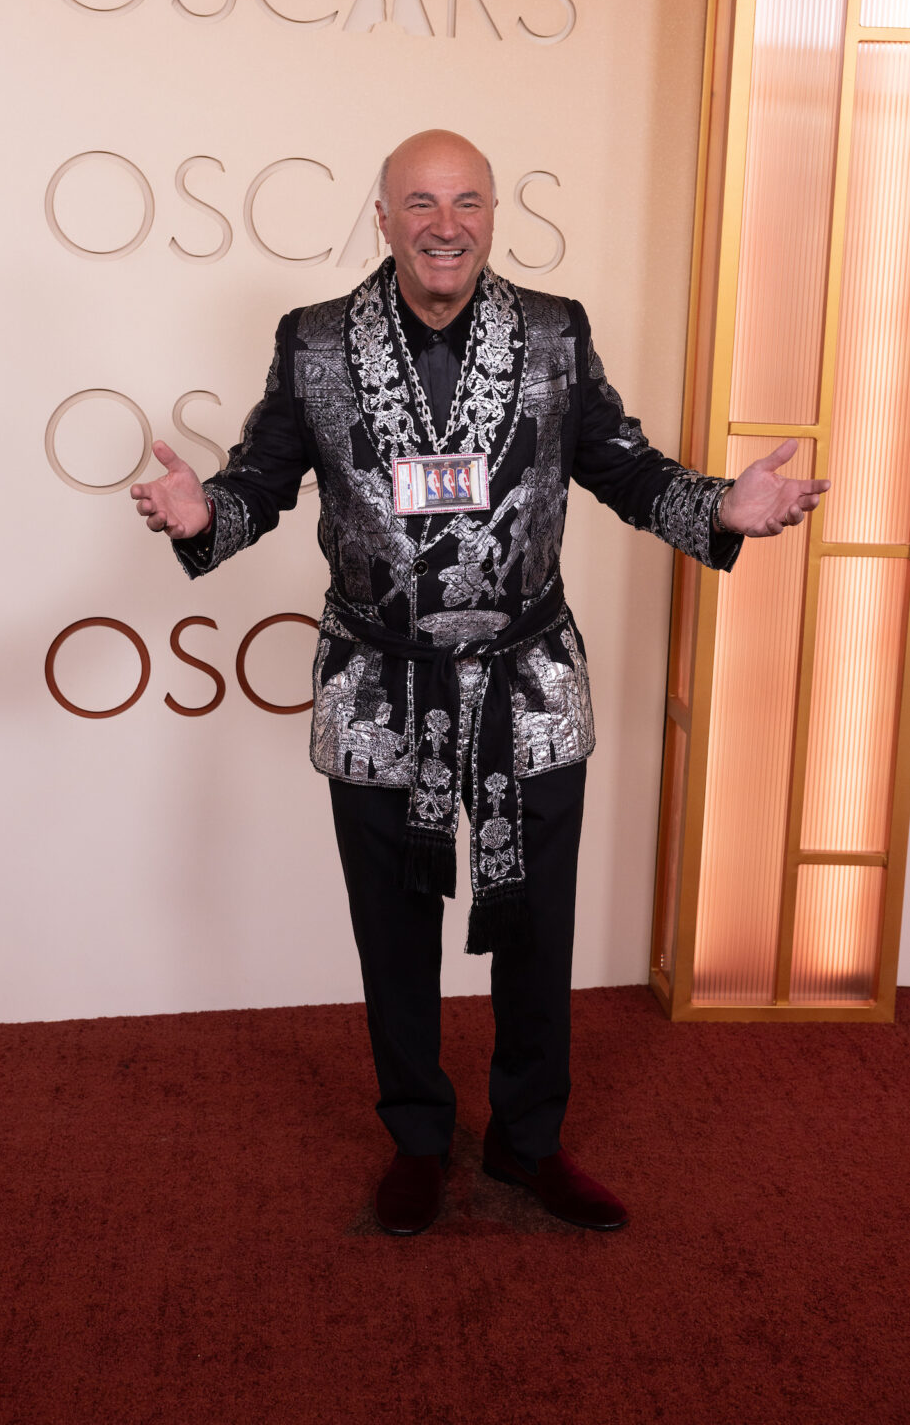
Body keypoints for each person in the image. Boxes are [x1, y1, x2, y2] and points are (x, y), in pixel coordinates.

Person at [131, 131, 829, 1235]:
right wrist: (205, 513)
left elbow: (621, 465)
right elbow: (264, 477)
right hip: (376, 680)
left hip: (528, 677)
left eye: (463, 201)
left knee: (538, 922)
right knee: (391, 920)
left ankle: (526, 1141)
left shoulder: (553, 333)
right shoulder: (313, 342)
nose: (442, 223)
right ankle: (416, 1134)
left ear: (493, 214)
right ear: (380, 217)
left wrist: (716, 508)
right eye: (418, 202)